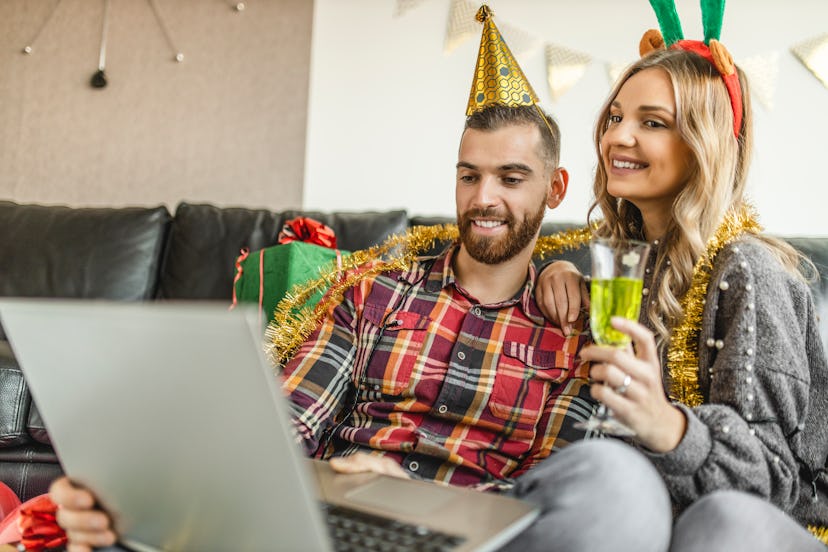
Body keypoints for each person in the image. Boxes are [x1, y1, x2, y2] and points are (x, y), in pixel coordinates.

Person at [46, 7, 675, 552]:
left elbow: (563, 484)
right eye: (468, 175)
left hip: (478, 533)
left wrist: (421, 499)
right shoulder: (377, 291)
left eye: (511, 179)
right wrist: (148, 486)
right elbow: (288, 423)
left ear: (554, 188)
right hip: (338, 517)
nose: (483, 199)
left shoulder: (579, 326)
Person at [535, 18, 828, 552]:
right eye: (616, 117)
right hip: (655, 519)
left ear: (702, 144)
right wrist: (562, 274)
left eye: (653, 123)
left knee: (720, 522)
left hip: (773, 530)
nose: (617, 136)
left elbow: (773, 481)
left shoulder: (749, 271)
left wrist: (666, 424)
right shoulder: (631, 261)